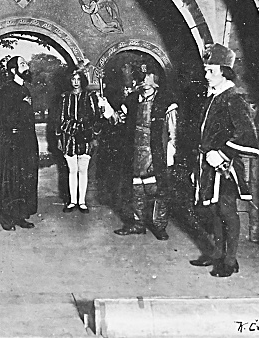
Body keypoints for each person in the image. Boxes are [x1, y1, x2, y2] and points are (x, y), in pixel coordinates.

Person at [189, 44, 259, 277]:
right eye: (205, 70)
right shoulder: (213, 97)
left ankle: (230, 261)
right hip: (208, 165)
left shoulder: (233, 97)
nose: (206, 76)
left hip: (224, 167)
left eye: (211, 71)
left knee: (226, 211)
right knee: (214, 210)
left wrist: (221, 153)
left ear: (225, 72)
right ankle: (217, 254)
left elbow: (247, 134)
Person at [107, 62, 177, 240]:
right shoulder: (132, 99)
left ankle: (159, 226)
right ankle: (137, 224)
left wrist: (170, 153)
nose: (144, 80)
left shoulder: (166, 101)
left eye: (148, 76)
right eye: (141, 76)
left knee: (157, 190)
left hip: (156, 151)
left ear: (155, 78)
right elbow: (118, 120)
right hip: (135, 150)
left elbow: (173, 131)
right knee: (136, 189)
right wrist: (108, 111)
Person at [0, 56, 38, 231]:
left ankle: (20, 215)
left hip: (27, 141)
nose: (26, 66)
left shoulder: (25, 89)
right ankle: (7, 218)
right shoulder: (6, 90)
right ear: (13, 70)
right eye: (22, 64)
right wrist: (22, 105)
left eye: (26, 63)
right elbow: (5, 118)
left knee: (25, 178)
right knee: (11, 179)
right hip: (12, 142)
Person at [56, 68, 103, 214]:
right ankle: (72, 201)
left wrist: (94, 136)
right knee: (72, 170)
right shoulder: (65, 97)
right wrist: (60, 137)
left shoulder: (90, 96)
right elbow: (60, 119)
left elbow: (96, 117)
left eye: (78, 79)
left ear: (82, 80)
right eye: (73, 79)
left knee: (83, 170)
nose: (75, 82)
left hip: (85, 137)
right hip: (69, 138)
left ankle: (82, 202)